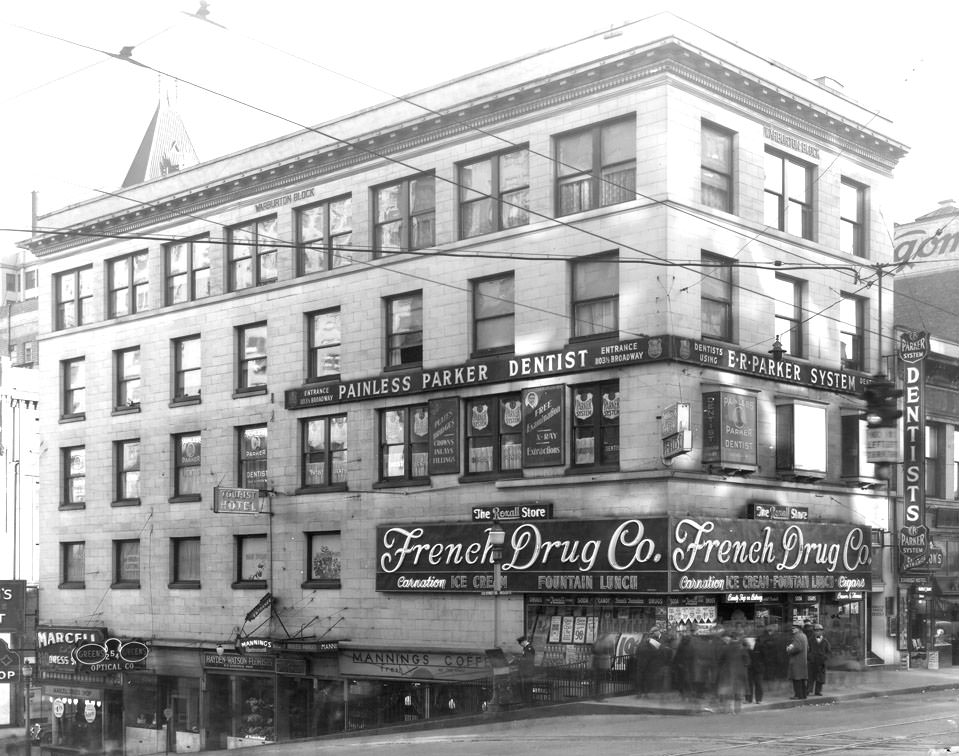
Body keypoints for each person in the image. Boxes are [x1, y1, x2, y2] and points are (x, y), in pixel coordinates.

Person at [716, 632, 750, 714]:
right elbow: (748, 661)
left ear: (731, 638)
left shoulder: (726, 648)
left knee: (728, 692)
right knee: (738, 692)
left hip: (728, 673)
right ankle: (737, 710)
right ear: (737, 638)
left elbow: (720, 660)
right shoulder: (742, 648)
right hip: (740, 674)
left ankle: (728, 710)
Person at [807, 624, 831, 696]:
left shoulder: (825, 641)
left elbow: (829, 651)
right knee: (810, 676)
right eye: (816, 631)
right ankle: (808, 690)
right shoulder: (810, 640)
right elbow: (807, 650)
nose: (818, 632)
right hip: (812, 661)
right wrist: (810, 657)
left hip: (821, 662)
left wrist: (825, 658)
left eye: (819, 631)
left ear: (822, 632)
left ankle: (818, 691)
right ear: (814, 632)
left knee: (820, 677)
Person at [786, 625, 809, 700]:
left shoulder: (797, 636)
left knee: (796, 679)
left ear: (798, 629)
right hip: (803, 661)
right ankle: (803, 695)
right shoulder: (804, 636)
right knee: (802, 679)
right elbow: (808, 648)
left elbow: (797, 647)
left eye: (794, 628)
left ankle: (798, 695)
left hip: (796, 661)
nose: (792, 630)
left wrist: (789, 649)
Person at [517, 636, 536, 705]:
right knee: (525, 686)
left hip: (528, 671)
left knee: (528, 686)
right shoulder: (526, 648)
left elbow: (528, 660)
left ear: (523, 642)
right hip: (526, 671)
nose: (521, 645)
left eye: (521, 643)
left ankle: (528, 702)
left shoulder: (529, 648)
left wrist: (520, 660)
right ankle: (526, 701)